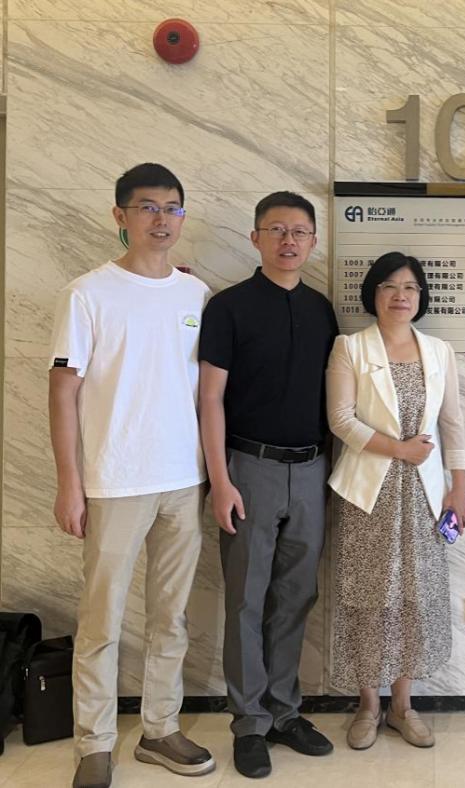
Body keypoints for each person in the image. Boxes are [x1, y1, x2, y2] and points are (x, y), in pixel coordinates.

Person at [49, 163, 215, 788]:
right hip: (113, 481)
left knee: (170, 617)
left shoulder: (195, 295)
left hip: (183, 479)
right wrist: (69, 484)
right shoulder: (87, 293)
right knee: (101, 619)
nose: (161, 219)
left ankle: (159, 728)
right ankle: (93, 744)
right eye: (148, 207)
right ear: (120, 215)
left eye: (172, 208)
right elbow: (62, 391)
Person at [198, 192, 338, 779]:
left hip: (310, 471)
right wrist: (220, 480)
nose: (289, 240)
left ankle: (285, 711)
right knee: (246, 599)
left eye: (300, 232)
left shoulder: (322, 310)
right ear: (255, 238)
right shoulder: (229, 307)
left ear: (313, 242)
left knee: (295, 597)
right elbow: (209, 398)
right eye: (277, 230)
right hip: (247, 469)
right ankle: (249, 723)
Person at [325, 252, 465, 751]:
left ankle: (403, 706)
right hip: (368, 493)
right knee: (369, 597)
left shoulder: (439, 351)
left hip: (425, 495)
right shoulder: (350, 347)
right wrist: (399, 449)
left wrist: (459, 486)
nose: (400, 295)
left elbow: (452, 423)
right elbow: (341, 420)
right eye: (389, 286)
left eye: (410, 287)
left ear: (420, 296)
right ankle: (368, 705)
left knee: (414, 596)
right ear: (374, 293)